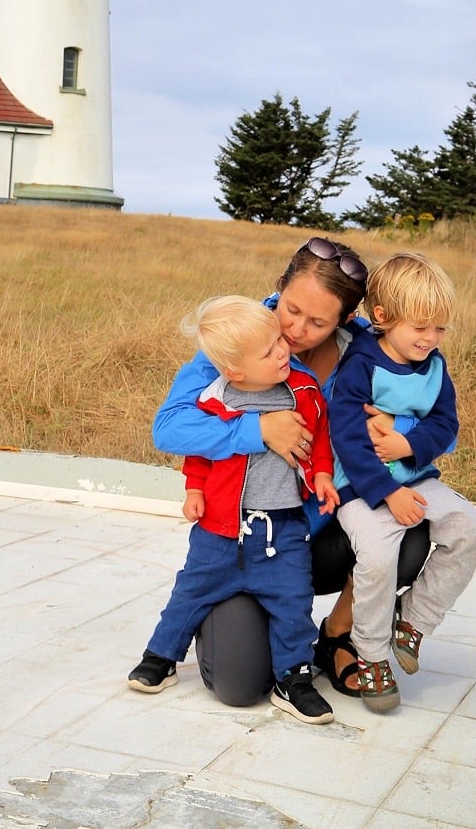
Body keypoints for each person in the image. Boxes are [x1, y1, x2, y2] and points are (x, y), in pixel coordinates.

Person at [149, 236, 430, 705]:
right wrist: (259, 429)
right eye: (291, 309)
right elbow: (169, 427)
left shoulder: (369, 352)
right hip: (254, 543)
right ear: (279, 287)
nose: (297, 329)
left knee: (410, 529)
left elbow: (440, 425)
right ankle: (224, 617)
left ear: (345, 320)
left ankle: (339, 634)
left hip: (327, 534)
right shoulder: (241, 337)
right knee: (240, 687)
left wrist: (398, 429)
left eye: (318, 321)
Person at [128, 295, 339, 725]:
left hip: (282, 532)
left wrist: (321, 474)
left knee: (293, 602)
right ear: (235, 370)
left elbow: (318, 437)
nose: (284, 350)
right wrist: (193, 490)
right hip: (219, 531)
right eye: (269, 351)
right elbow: (197, 455)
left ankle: (294, 679)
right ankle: (161, 657)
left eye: (279, 341)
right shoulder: (215, 401)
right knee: (189, 592)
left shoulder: (302, 392)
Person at [330, 251, 476, 712]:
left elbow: (445, 426)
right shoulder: (361, 363)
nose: (431, 338)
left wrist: (407, 443)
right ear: (383, 317)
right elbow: (347, 435)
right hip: (361, 487)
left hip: (415, 473)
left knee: (468, 527)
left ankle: (414, 620)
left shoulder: (435, 367)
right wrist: (387, 490)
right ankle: (372, 655)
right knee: (377, 557)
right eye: (421, 327)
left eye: (440, 328)